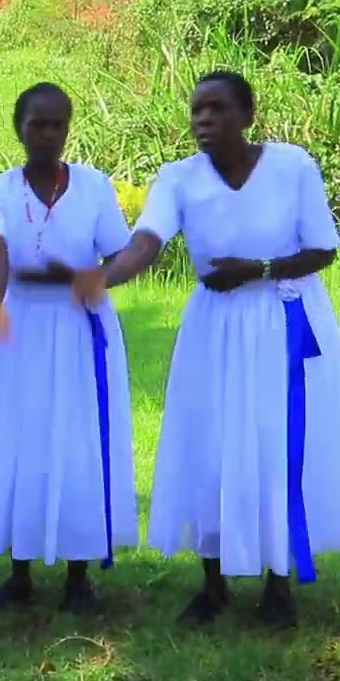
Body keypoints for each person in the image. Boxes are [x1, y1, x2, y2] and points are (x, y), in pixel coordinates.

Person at [72, 70, 340, 628]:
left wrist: (259, 269)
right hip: (214, 329)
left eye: (216, 109)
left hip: (281, 323)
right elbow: (146, 242)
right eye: (196, 110)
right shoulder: (178, 179)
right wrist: (102, 277)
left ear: (247, 115)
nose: (203, 120)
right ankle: (212, 583)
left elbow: (323, 250)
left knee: (275, 445)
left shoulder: (292, 168)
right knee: (211, 445)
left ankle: (278, 584)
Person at [0, 82, 137, 613]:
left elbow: (122, 252)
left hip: (80, 328)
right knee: (20, 441)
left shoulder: (93, 187)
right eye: (36, 123)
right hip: (20, 329)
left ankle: (79, 576)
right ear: (18, 127)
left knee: (79, 441)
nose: (46, 134)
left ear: (67, 128)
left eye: (56, 124)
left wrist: (100, 279)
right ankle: (19, 572)